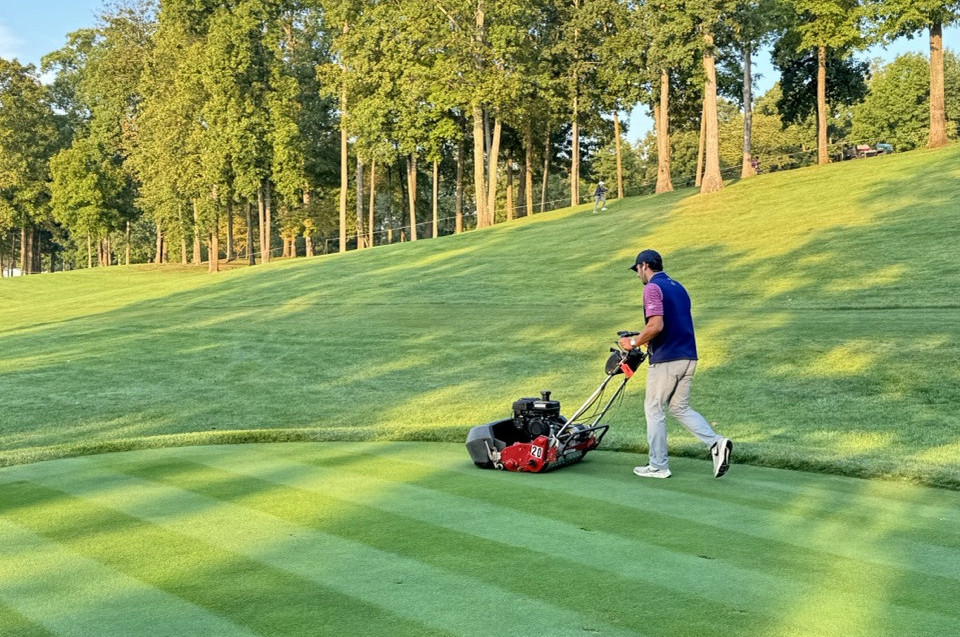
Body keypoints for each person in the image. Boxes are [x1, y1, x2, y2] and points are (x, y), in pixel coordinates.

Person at [618, 249, 732, 479]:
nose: (637, 274)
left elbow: (656, 326)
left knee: (654, 408)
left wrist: (632, 342)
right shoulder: (678, 287)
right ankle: (717, 443)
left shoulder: (652, 288)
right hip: (688, 357)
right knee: (679, 408)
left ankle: (658, 465)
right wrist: (643, 338)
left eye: (637, 269)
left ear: (644, 266)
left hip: (667, 359)